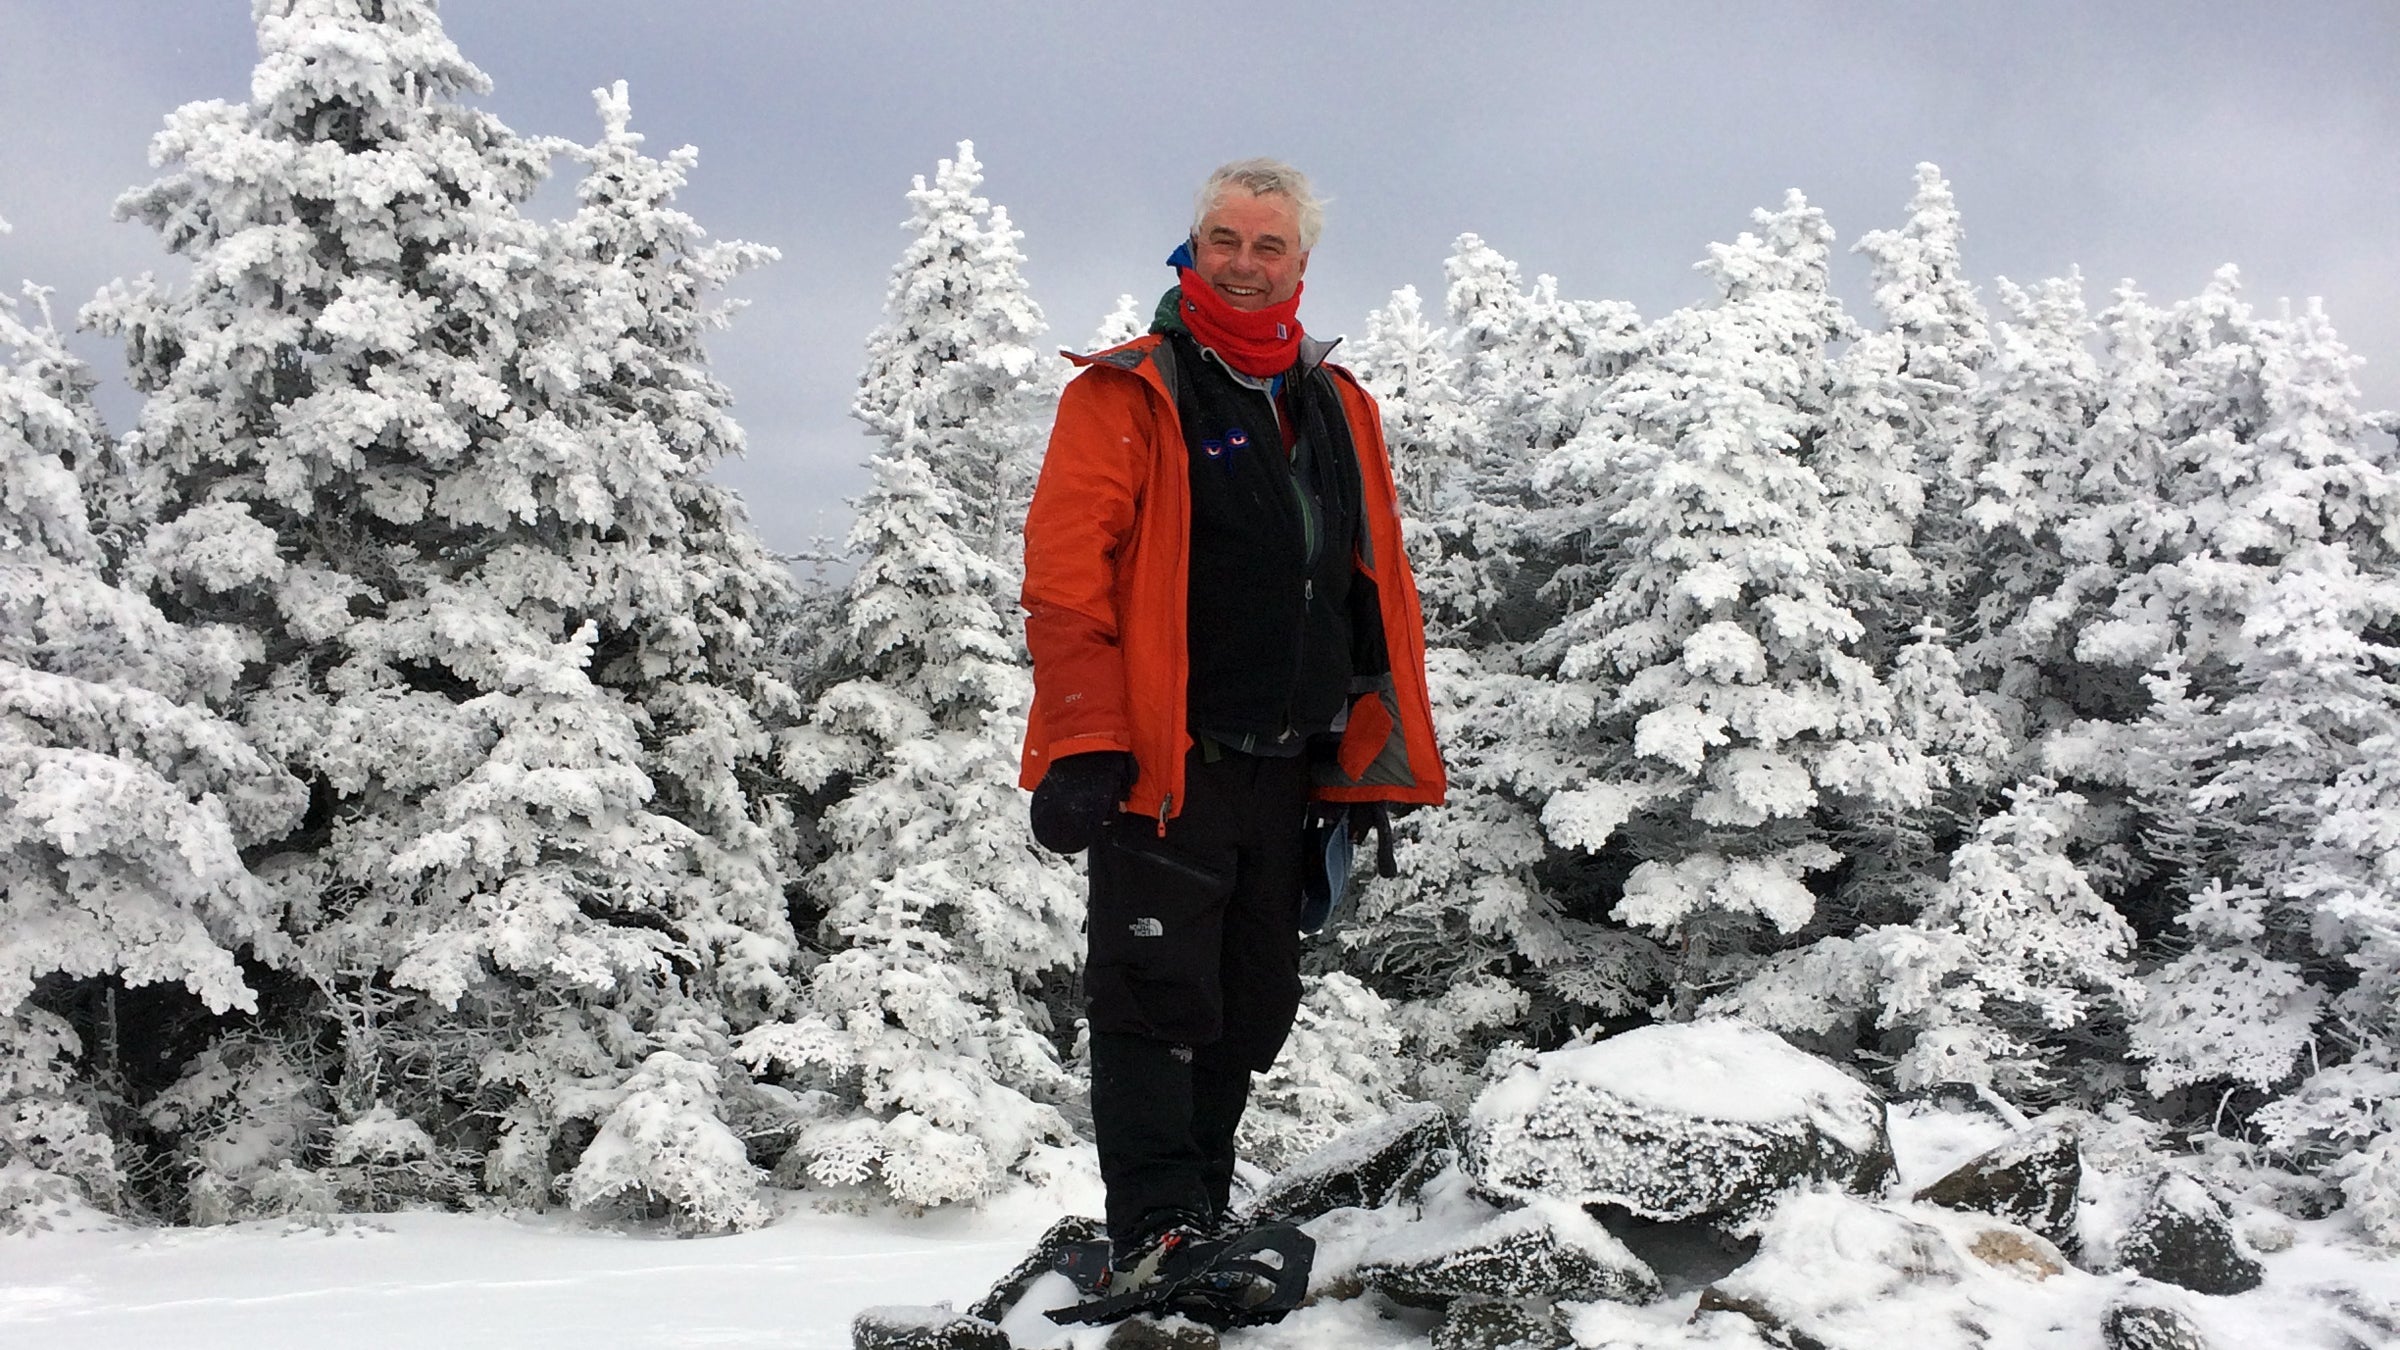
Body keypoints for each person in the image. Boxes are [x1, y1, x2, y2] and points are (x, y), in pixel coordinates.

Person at [1017, 158, 1447, 1294]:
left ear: (1302, 263)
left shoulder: (1334, 402)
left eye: (1269, 247)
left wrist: (1374, 746)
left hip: (1289, 767)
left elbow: (1367, 582)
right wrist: (1084, 736)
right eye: (1226, 241)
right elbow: (1067, 580)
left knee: (1249, 1001)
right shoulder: (1130, 392)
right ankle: (1155, 1232)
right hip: (1168, 759)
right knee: (1156, 995)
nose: (1245, 265)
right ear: (1191, 248)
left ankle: (1200, 1220)